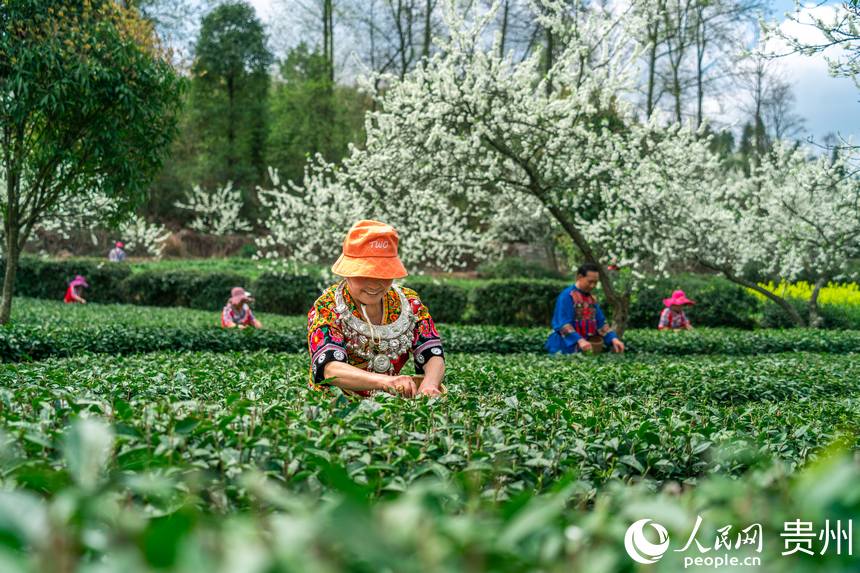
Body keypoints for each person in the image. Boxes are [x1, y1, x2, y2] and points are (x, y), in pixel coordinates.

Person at [306, 220, 445, 398]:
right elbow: (330, 368)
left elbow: (432, 352)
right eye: (364, 274)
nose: (374, 284)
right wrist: (386, 382)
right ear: (347, 272)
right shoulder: (327, 307)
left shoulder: (410, 303)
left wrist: (430, 384)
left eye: (384, 273)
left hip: (390, 407)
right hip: (334, 409)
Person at [546, 262, 625, 354]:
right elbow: (562, 324)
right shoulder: (567, 296)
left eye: (595, 282)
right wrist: (579, 340)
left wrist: (613, 339)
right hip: (563, 349)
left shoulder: (591, 299)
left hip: (585, 349)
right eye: (590, 281)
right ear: (579, 277)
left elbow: (601, 323)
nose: (593, 286)